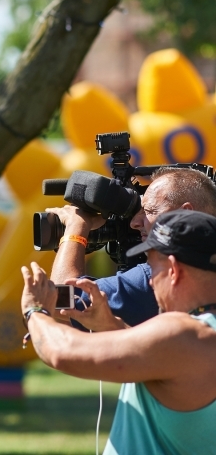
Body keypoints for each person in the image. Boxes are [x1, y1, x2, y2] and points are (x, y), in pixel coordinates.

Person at [21, 209, 216, 454]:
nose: (150, 281)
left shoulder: (181, 334)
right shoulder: (199, 337)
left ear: (173, 270)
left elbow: (63, 352)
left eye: (152, 268)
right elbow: (163, 365)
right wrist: (109, 325)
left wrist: (35, 311)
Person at [47, 167, 216, 329]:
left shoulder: (167, 273)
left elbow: (60, 299)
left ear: (185, 213)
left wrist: (76, 226)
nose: (134, 223)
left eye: (148, 211)